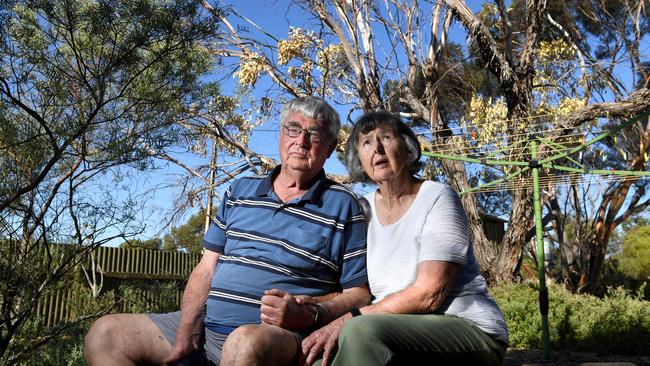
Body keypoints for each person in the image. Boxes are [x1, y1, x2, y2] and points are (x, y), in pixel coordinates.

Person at [84, 96, 370, 366]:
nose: (301, 141)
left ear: (331, 148)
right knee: (106, 334)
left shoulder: (344, 206)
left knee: (244, 343)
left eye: (315, 134)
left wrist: (310, 313)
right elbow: (206, 269)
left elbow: (358, 294)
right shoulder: (240, 190)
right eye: (292, 129)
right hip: (207, 329)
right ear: (281, 135)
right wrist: (187, 330)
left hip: (274, 337)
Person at [300, 111, 509, 366]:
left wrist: (352, 317)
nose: (377, 148)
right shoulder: (361, 210)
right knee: (315, 350)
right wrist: (312, 304)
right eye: (366, 143)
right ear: (359, 159)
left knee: (358, 331)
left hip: (467, 327)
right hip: (387, 326)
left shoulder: (437, 197)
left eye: (385, 137)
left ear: (407, 148)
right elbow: (358, 290)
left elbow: (429, 294)